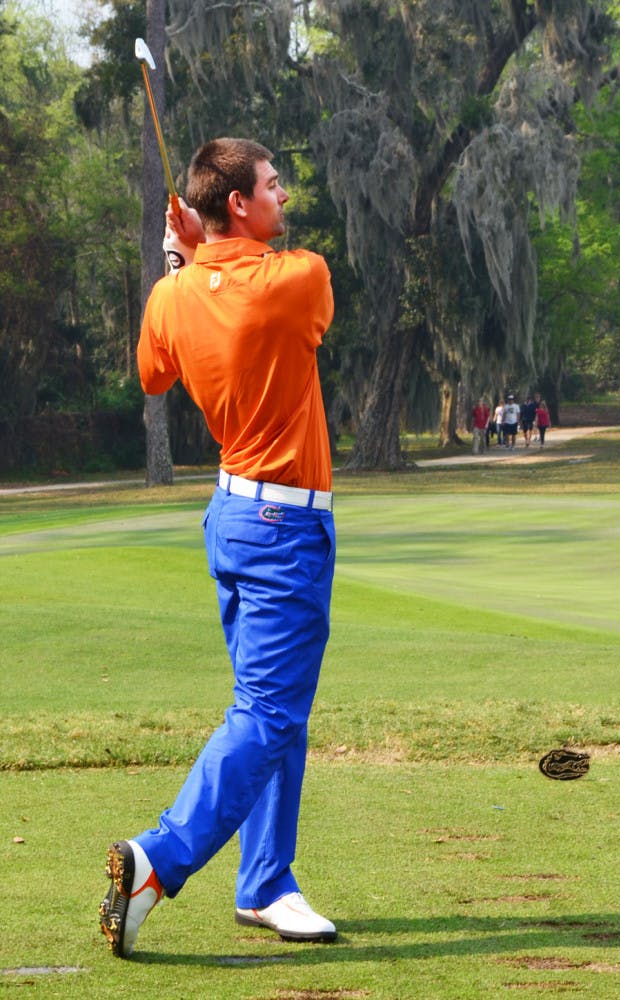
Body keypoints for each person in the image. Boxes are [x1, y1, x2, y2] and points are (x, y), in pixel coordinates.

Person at [98, 138, 337, 958]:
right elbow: (271, 292)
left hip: (232, 518)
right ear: (237, 202)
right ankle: (158, 860)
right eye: (272, 184)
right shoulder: (298, 279)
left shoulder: (171, 295)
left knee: (275, 709)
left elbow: (153, 375)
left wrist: (183, 263)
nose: (283, 195)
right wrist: (201, 255)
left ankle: (266, 883)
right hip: (285, 530)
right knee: (268, 712)